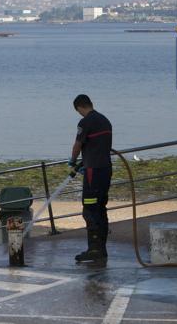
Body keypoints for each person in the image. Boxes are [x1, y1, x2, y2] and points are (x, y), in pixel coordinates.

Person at [68, 94, 112, 263]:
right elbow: (97, 147)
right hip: (106, 169)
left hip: (93, 172)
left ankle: (94, 249)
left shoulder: (85, 122)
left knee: (89, 209)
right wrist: (83, 162)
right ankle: (102, 249)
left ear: (79, 107)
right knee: (101, 208)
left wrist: (72, 162)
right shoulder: (105, 120)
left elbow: (78, 145)